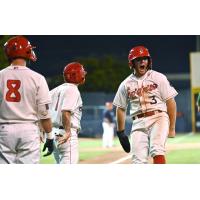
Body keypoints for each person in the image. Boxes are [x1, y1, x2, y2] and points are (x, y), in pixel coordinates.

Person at [113, 45, 178, 164]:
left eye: (145, 58)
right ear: (132, 63)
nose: (143, 61)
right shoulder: (125, 84)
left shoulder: (158, 77)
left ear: (149, 61)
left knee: (157, 150)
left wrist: (172, 127)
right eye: (139, 59)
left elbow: (170, 102)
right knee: (138, 160)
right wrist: (121, 132)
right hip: (138, 123)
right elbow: (120, 108)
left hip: (158, 118)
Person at [0, 36, 54, 164]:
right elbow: (44, 114)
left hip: (3, 130)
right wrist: (50, 137)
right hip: (28, 130)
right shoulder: (38, 78)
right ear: (28, 52)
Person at [50, 62, 87, 164]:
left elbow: (42, 110)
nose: (84, 74)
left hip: (54, 133)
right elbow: (65, 111)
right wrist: (67, 132)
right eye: (82, 72)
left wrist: (45, 133)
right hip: (66, 135)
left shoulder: (56, 90)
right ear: (77, 75)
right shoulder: (72, 89)